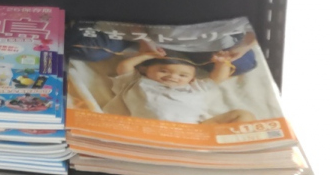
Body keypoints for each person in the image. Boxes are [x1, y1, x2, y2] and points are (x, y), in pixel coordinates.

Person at [105, 46, 256, 125]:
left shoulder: (193, 88)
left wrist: (222, 62)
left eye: (183, 75)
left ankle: (232, 146)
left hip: (195, 130)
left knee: (242, 115)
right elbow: (124, 67)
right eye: (163, 71)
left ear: (192, 79)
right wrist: (147, 55)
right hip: (152, 128)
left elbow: (218, 78)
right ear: (144, 69)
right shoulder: (136, 82)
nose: (173, 77)